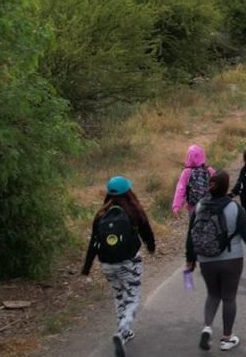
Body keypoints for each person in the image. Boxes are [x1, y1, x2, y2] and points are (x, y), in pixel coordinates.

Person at [186, 171, 246, 352]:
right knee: (229, 297)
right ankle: (226, 338)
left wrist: (190, 259)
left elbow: (190, 236)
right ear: (226, 186)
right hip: (231, 259)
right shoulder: (234, 208)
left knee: (213, 295)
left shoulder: (199, 206)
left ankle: (207, 327)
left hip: (206, 259)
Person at [82, 176, 155, 357]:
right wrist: (151, 247)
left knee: (119, 295)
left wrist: (86, 267)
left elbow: (94, 242)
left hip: (107, 264)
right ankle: (123, 327)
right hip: (129, 262)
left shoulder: (100, 215)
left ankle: (124, 332)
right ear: (128, 192)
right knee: (132, 296)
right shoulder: (133, 210)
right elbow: (147, 232)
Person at [172, 144, 216, 216]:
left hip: (192, 207)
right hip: (208, 205)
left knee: (194, 224)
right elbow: (219, 183)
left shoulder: (186, 172)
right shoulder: (209, 170)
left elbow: (180, 188)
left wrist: (176, 206)